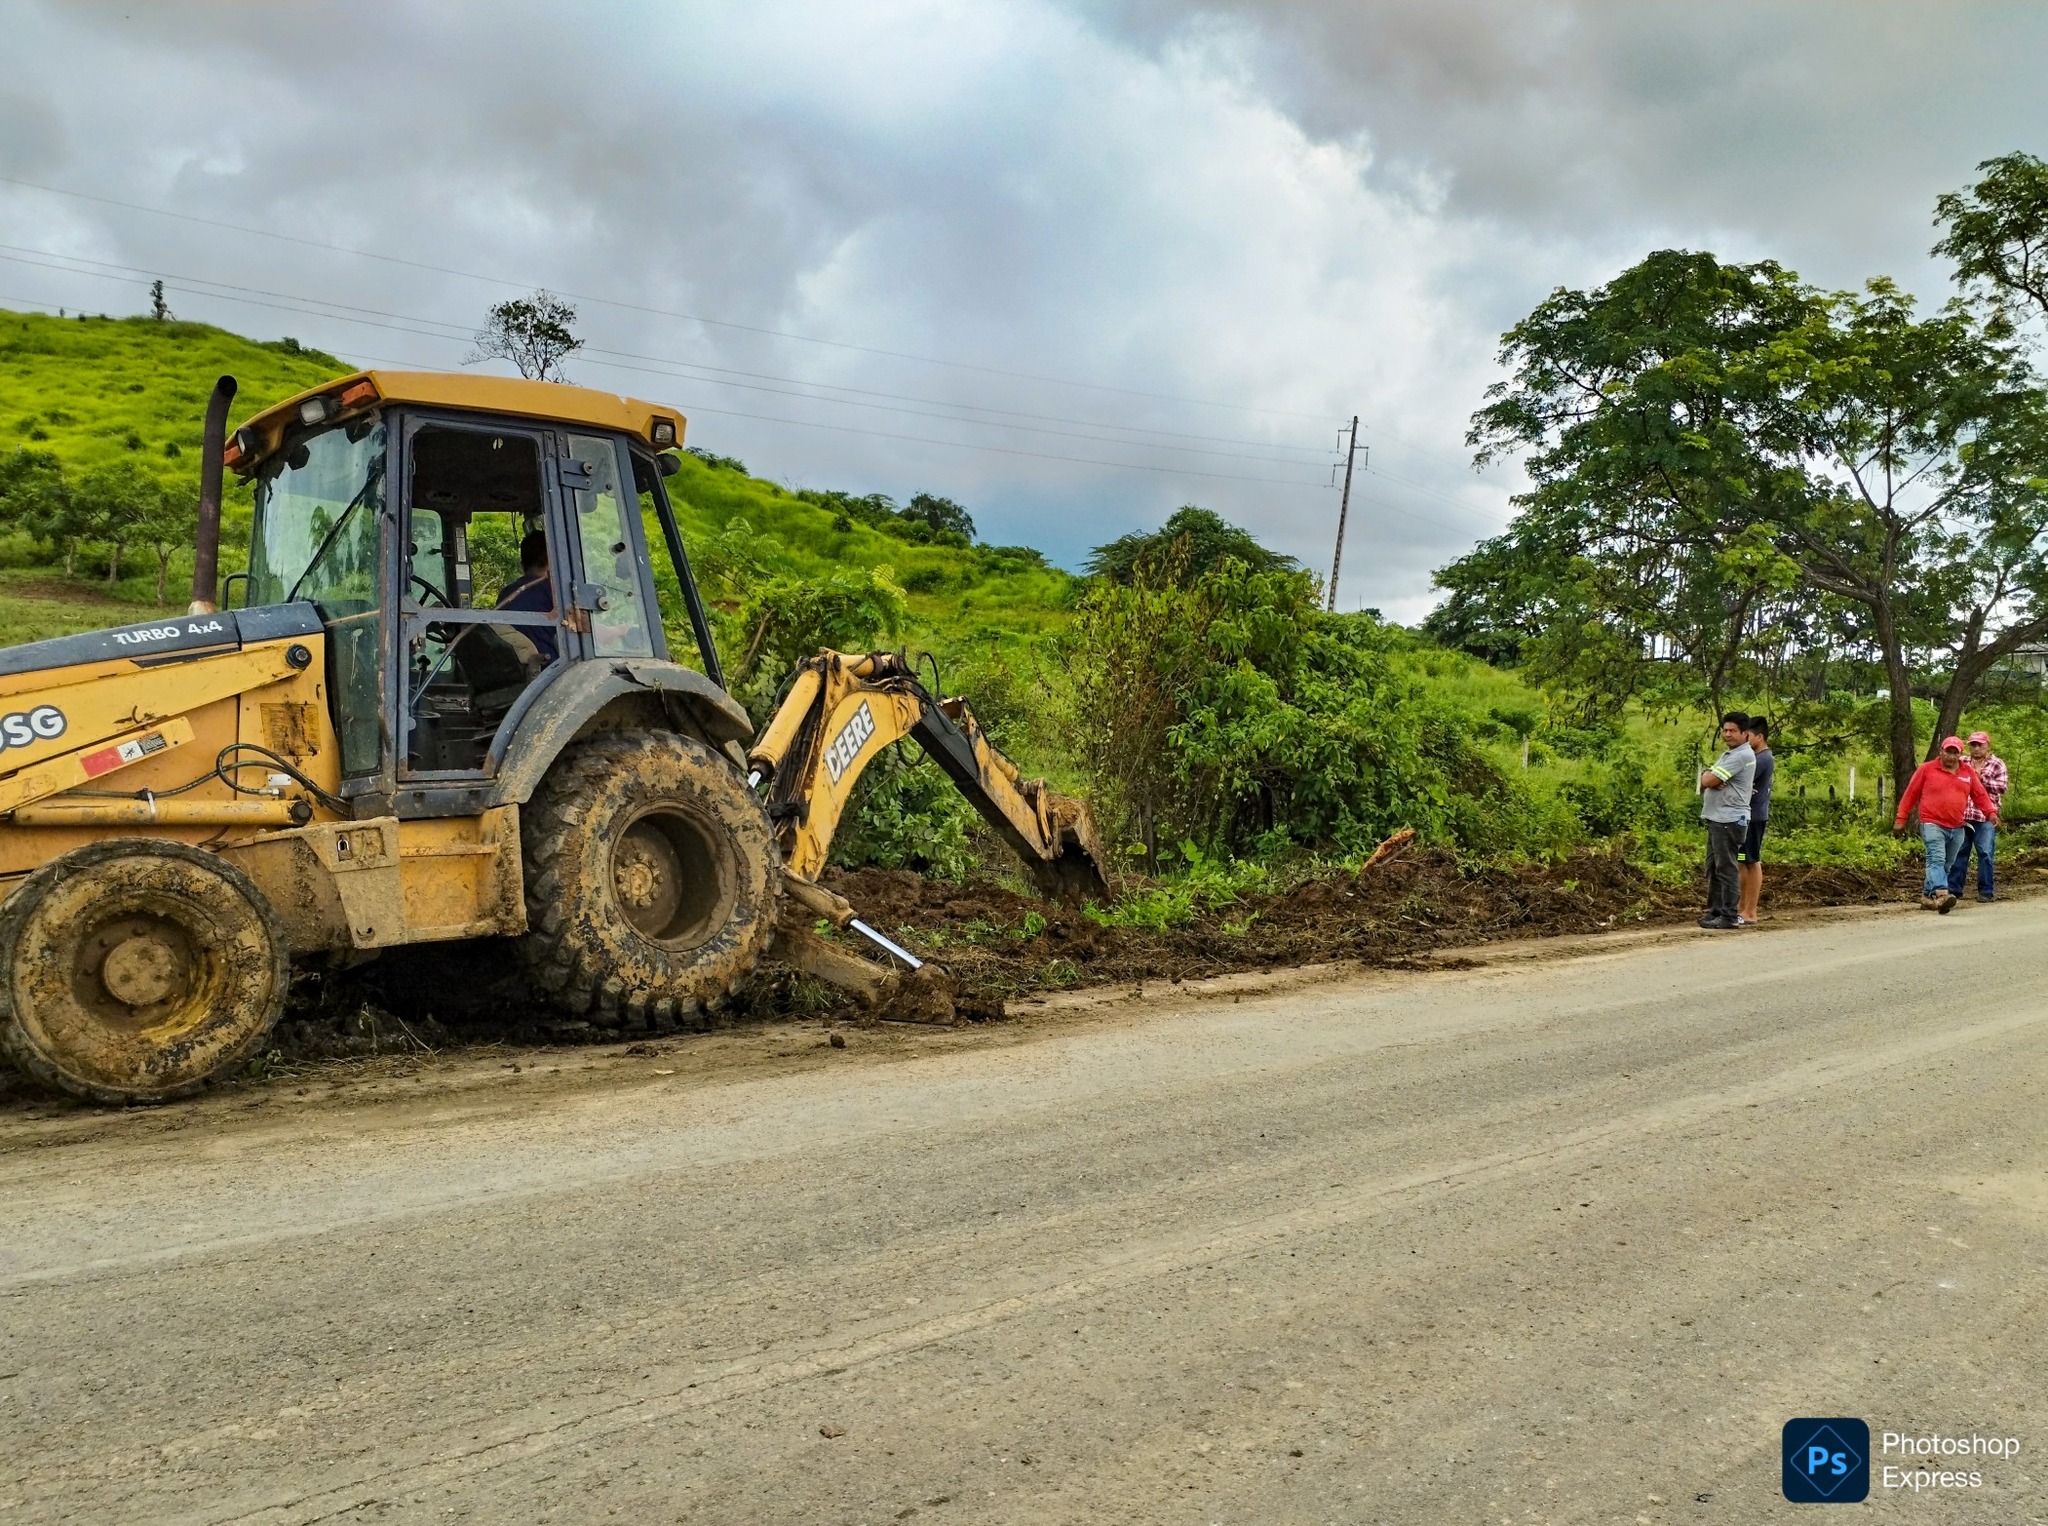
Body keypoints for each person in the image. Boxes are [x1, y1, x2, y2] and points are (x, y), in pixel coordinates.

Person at [1894, 736, 1998, 914]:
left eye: (1955, 753)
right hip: (1931, 822)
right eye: (1948, 752)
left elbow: (1979, 794)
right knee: (1936, 858)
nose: (1951, 756)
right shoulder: (1926, 769)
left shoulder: (1967, 772)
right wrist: (1901, 818)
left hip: (1957, 825)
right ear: (1941, 751)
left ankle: (1927, 897)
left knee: (1948, 864)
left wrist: (1990, 812)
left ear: (1960, 754)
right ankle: (1942, 893)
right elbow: (1911, 794)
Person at [1697, 711, 1756, 930]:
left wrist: (1710, 778)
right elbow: (1707, 777)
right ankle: (1716, 910)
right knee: (1714, 867)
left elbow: (1708, 780)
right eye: (1725, 730)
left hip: (1729, 819)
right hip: (1718, 818)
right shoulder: (1729, 754)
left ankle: (1729, 914)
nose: (1727, 734)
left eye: (1733, 731)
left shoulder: (1741, 756)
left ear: (1745, 733)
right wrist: (1709, 777)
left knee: (1726, 867)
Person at [1947, 730, 2008, 902]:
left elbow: (2002, 787)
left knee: (1985, 852)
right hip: (1963, 815)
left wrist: (1981, 779)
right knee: (1959, 852)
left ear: (1987, 745)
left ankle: (1986, 891)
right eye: (1973, 745)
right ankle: (1954, 889)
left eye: (1980, 745)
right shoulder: (1962, 762)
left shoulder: (1997, 764)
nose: (1976, 748)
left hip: (1985, 816)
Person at [494, 530, 560, 664]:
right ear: (555, 560)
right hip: (551, 668)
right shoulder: (556, 593)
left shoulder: (506, 594)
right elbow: (586, 637)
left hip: (518, 670)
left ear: (522, 564)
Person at [1736, 715, 1773, 926]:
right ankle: (1741, 908)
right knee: (1743, 861)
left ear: (1759, 737)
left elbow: (1737, 779)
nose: (1745, 739)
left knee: (1751, 861)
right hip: (1747, 816)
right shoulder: (1756, 757)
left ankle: (1750, 911)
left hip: (1754, 817)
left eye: (1748, 736)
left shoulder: (1761, 759)